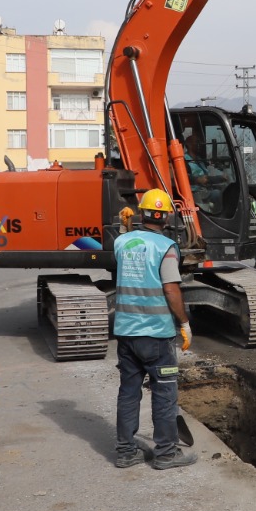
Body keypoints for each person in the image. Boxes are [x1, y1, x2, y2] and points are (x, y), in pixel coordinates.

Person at [112, 189, 197, 470]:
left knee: (128, 392)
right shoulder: (167, 247)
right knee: (164, 393)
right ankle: (166, 453)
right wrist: (184, 322)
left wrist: (125, 227)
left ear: (141, 212)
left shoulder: (122, 242)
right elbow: (171, 289)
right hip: (157, 335)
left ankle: (126, 452)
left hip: (126, 332)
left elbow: (128, 252)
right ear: (167, 217)